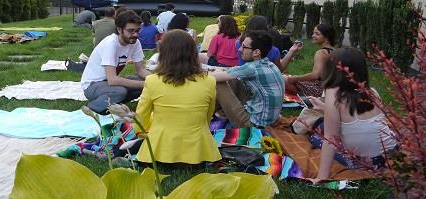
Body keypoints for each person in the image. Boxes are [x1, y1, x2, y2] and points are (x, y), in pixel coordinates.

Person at [308, 48, 397, 183]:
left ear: (333, 71)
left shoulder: (334, 94)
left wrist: (321, 178)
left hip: (368, 163)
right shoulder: (373, 92)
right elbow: (355, 114)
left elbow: (331, 140)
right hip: (391, 154)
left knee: (317, 134)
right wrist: (324, 108)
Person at [135, 30, 221, 164]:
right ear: (193, 53)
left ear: (163, 53)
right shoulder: (209, 81)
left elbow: (141, 118)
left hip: (160, 150)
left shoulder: (152, 81)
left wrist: (140, 134)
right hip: (198, 150)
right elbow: (207, 116)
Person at [81, 10, 150, 114]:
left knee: (139, 81)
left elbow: (141, 69)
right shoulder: (111, 43)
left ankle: (112, 103)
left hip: (108, 84)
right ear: (119, 29)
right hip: (92, 85)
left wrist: (156, 81)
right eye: (131, 31)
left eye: (138, 30)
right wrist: (144, 84)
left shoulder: (135, 42)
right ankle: (92, 107)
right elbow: (112, 80)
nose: (135, 34)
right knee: (121, 91)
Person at [211, 31, 284, 128]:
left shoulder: (252, 68)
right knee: (234, 79)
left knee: (220, 83)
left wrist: (195, 72)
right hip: (267, 120)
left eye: (244, 47)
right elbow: (233, 71)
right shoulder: (268, 64)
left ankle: (207, 114)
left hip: (253, 125)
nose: (240, 49)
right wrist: (218, 69)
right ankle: (222, 113)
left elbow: (212, 77)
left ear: (256, 52)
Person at [285, 24, 335, 97]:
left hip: (321, 90)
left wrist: (295, 78)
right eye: (313, 33)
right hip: (332, 88)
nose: (313, 36)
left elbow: (315, 76)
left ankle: (305, 98)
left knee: (283, 79)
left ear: (327, 38)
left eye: (317, 34)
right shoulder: (335, 51)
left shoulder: (321, 53)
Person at [237, 15, 302, 72]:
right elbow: (279, 69)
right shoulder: (273, 50)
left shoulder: (239, 44)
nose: (241, 49)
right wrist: (291, 52)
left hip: (243, 81)